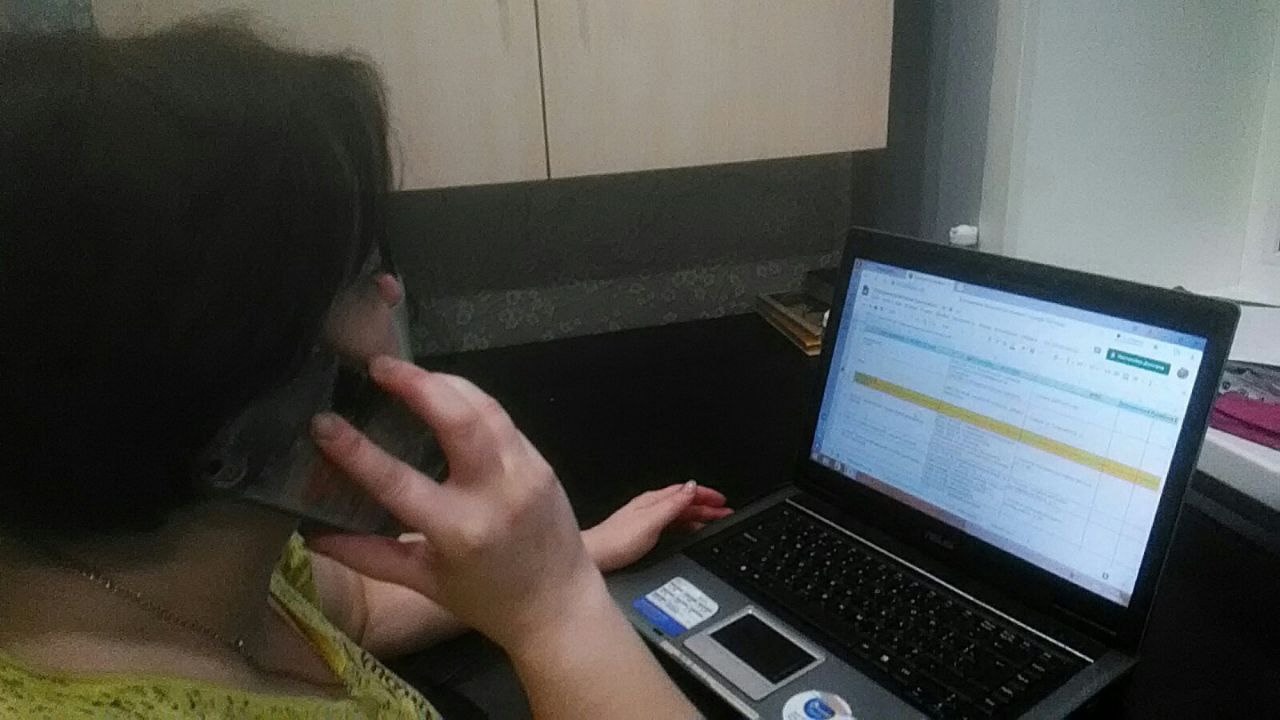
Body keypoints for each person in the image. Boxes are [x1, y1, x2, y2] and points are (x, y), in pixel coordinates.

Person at [0, 22, 733, 719]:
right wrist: (558, 610)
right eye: (357, 279)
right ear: (229, 413)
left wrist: (568, 554)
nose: (390, 291)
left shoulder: (201, 565)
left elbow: (353, 606)